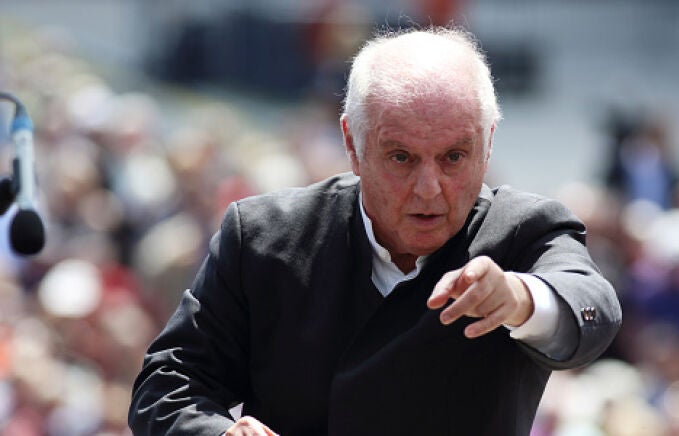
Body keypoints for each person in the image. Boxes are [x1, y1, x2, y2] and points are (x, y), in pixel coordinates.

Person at [128, 27, 621, 436]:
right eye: (401, 157)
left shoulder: (524, 232)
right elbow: (167, 385)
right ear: (352, 143)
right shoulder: (263, 236)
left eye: (454, 157)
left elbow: (592, 307)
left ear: (488, 144)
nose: (429, 188)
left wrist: (519, 298)